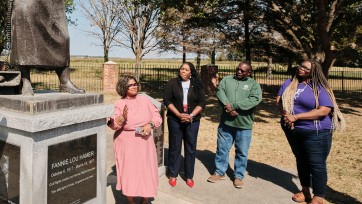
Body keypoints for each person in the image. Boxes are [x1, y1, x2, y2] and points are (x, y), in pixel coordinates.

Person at [277, 60, 345, 204]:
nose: (301, 69)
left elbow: (324, 110)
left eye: (305, 68)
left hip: (316, 131)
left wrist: (295, 117)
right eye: (300, 66)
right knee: (301, 161)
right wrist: (286, 115)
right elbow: (279, 101)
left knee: (316, 164)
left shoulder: (320, 87)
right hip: (293, 130)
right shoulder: (289, 83)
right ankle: (305, 191)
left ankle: (318, 197)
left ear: (313, 72)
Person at [108, 75, 162, 204]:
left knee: (146, 170)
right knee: (129, 172)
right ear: (123, 87)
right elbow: (114, 125)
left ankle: (145, 200)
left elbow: (156, 116)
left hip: (144, 141)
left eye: (135, 83)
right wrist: (120, 119)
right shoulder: (119, 104)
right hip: (126, 143)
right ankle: (131, 201)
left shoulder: (145, 100)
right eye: (130, 85)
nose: (134, 86)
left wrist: (151, 125)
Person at [207, 62, 262, 188]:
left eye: (243, 71)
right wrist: (228, 107)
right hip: (226, 123)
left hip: (244, 125)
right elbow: (220, 93)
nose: (239, 72)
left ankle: (238, 176)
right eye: (238, 69)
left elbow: (254, 99)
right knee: (222, 148)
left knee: (242, 152)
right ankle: (219, 172)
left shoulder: (253, 84)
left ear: (249, 73)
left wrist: (235, 106)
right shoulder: (227, 80)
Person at [10, 0, 84, 95]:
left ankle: (65, 82)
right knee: (24, 35)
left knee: (63, 37)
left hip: (53, 4)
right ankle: (26, 81)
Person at [163, 62, 206, 188]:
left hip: (193, 120)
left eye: (186, 69)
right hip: (175, 119)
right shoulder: (172, 83)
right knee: (175, 147)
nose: (183, 71)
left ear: (191, 72)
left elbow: (202, 102)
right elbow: (167, 100)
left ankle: (189, 176)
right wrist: (179, 115)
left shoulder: (197, 85)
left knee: (190, 148)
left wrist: (191, 115)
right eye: (182, 69)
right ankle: (173, 174)